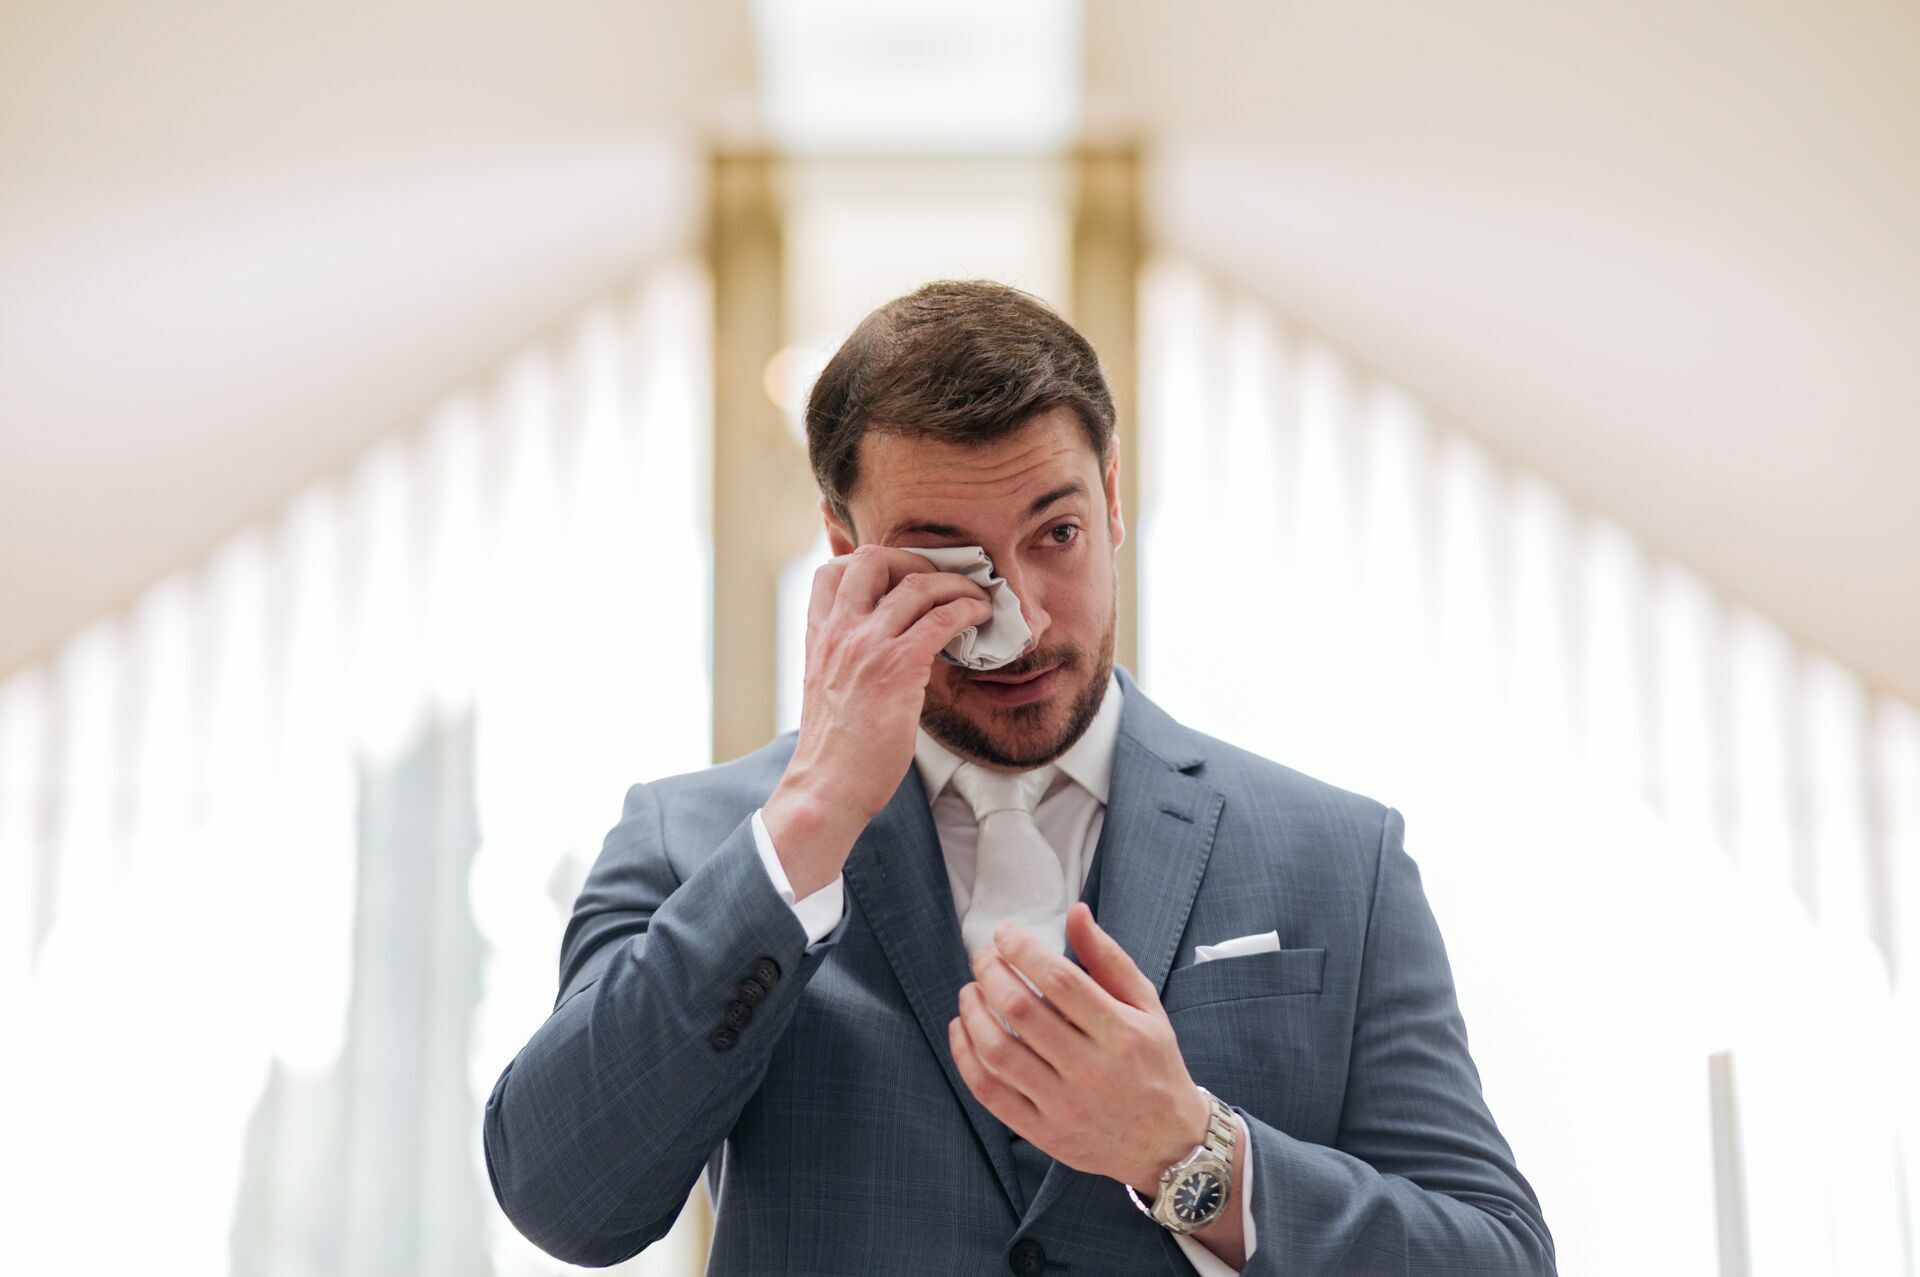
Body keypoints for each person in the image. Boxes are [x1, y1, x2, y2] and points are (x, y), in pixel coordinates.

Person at [481, 280, 1556, 1275]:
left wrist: (1191, 1152)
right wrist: (811, 816)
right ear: (843, 544)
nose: (1025, 621)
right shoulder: (695, 840)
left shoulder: (1339, 856)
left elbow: (1498, 1254)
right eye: (952, 568)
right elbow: (565, 1198)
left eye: (1058, 533)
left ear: (1115, 497)